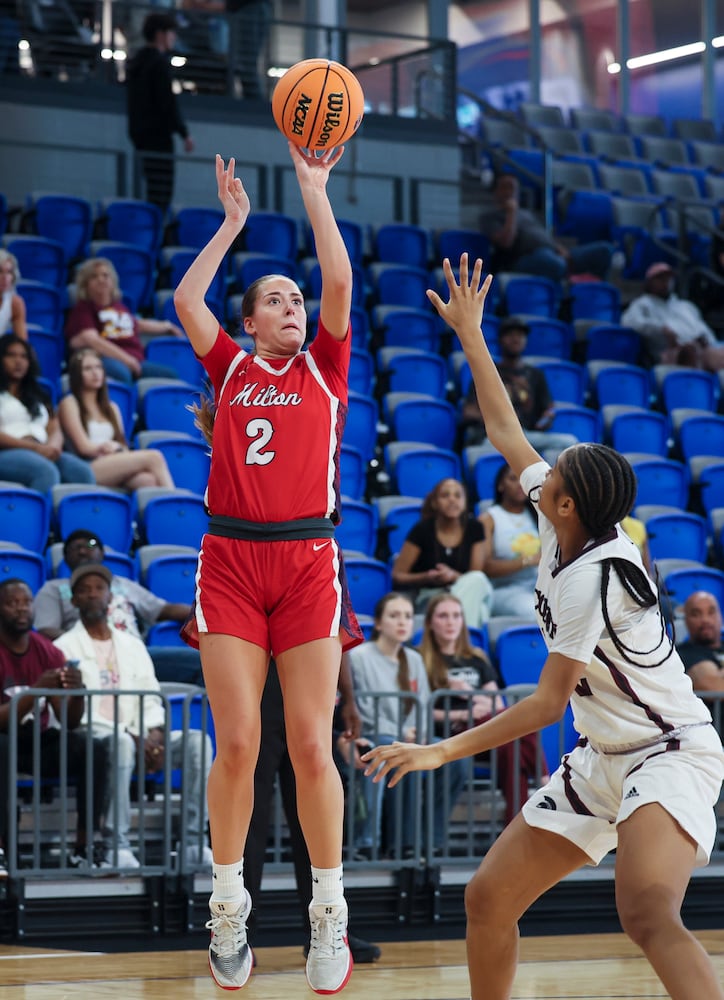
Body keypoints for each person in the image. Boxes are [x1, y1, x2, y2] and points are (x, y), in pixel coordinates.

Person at [363, 254, 724, 1000]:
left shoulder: (594, 574)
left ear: (567, 506)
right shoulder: (569, 520)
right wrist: (469, 333)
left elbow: (546, 705)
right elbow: (504, 430)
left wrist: (440, 750)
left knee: (647, 910)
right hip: (605, 752)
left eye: (556, 469)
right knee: (488, 900)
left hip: (667, 750)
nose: (544, 466)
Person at [172, 147, 363, 994]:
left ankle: (329, 914)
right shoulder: (232, 366)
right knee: (241, 741)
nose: (293, 305)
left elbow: (341, 284)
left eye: (296, 298)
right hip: (232, 559)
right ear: (250, 322)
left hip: (309, 558)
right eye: (275, 300)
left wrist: (315, 195)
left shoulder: (327, 366)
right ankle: (227, 905)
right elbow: (184, 299)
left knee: (310, 746)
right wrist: (232, 225)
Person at [54, 563, 213, 869]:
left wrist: (153, 731)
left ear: (110, 598)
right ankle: (117, 844)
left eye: (99, 589)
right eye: (84, 591)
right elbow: (75, 714)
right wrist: (133, 736)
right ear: (73, 601)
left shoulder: (132, 645)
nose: (93, 595)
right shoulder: (63, 647)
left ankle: (194, 842)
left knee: (198, 742)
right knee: (120, 743)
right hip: (96, 736)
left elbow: (150, 694)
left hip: (141, 734)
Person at [244, 660, 381, 964]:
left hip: (307, 692)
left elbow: (336, 630)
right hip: (257, 687)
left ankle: (325, 932)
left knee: (316, 824)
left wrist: (348, 698)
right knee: (249, 824)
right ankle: (239, 935)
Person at [0, 578, 109, 875]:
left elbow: (71, 720)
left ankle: (85, 846)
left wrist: (76, 693)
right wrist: (35, 691)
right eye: (12, 603)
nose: (21, 609)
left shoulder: (46, 651)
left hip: (38, 740)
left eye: (26, 602)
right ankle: (3, 850)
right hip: (4, 739)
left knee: (91, 749)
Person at [347, 592, 467, 857]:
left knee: (457, 759)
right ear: (378, 623)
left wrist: (419, 733)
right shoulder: (359, 657)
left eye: (408, 616)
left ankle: (427, 840)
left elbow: (422, 704)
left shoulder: (413, 659)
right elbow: (366, 709)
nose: (402, 622)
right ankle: (370, 842)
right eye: (394, 616)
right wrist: (404, 734)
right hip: (376, 735)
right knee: (388, 748)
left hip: (411, 736)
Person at [419, 593, 543, 826]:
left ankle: (513, 822)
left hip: (485, 730)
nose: (450, 622)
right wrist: (463, 713)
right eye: (443, 616)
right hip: (453, 733)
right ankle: (543, 779)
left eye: (456, 616)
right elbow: (421, 709)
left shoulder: (476, 658)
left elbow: (498, 704)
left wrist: (470, 694)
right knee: (509, 736)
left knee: (510, 745)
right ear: (430, 623)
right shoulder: (422, 660)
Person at [33, 530, 200, 684]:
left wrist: (202, 617)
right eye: (75, 548)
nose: (83, 551)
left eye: (90, 545)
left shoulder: (124, 584)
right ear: (66, 558)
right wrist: (92, 644)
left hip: (136, 655)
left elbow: (164, 609)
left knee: (202, 663)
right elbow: (46, 630)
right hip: (87, 657)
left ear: (102, 553)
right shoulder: (53, 589)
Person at [58, 348, 176, 490]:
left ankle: (161, 511)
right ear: (77, 375)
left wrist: (117, 448)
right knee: (154, 457)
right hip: (88, 466)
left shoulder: (112, 407)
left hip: (113, 460)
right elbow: (83, 447)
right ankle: (177, 501)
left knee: (148, 481)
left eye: (98, 367)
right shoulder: (70, 403)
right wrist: (106, 447)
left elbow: (122, 444)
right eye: (87, 369)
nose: (95, 373)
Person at [462, 315, 578, 452]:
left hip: (526, 435)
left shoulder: (535, 375)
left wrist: (546, 419)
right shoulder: (486, 372)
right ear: (500, 340)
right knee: (486, 446)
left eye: (520, 335)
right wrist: (496, 420)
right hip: (495, 436)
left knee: (570, 443)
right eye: (510, 335)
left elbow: (548, 409)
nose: (516, 339)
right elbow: (468, 412)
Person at [391, 477, 492, 628]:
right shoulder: (422, 529)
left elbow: (475, 575)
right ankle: (465, 639)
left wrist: (452, 576)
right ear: (435, 502)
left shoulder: (475, 528)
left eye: (458, 495)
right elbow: (397, 575)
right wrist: (426, 577)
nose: (452, 500)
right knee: (480, 611)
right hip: (430, 596)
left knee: (478, 582)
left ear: (465, 502)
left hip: (466, 591)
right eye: (445, 496)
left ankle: (459, 635)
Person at [0, 334, 95, 493]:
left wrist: (53, 446)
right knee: (45, 472)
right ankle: (36, 517)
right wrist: (34, 448)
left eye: (24, 356)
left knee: (83, 473)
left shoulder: (38, 394)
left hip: (42, 449)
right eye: (11, 355)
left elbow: (55, 426)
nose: (18, 361)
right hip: (7, 452)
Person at [65, 258, 182, 385]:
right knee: (121, 374)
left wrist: (167, 326)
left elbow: (138, 324)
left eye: (105, 275)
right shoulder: (83, 309)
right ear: (85, 284)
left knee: (170, 375)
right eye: (94, 276)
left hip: (136, 361)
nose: (101, 279)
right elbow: (92, 340)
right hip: (106, 359)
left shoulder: (119, 307)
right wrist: (127, 360)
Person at [481, 173, 613, 282]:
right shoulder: (489, 217)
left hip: (553, 253)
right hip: (523, 259)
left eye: (514, 188)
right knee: (555, 264)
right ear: (496, 192)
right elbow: (506, 242)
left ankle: (594, 293)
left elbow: (543, 236)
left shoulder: (526, 213)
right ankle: (567, 293)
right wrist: (511, 213)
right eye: (506, 187)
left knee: (604, 250)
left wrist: (559, 248)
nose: (510, 192)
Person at [126, 12, 195, 214]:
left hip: (139, 135)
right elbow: (168, 103)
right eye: (171, 32)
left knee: (150, 188)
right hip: (158, 137)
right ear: (160, 34)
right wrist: (184, 133)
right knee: (161, 193)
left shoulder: (137, 62)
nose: (174, 37)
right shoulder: (159, 64)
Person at [621, 261, 724, 371]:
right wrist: (660, 329)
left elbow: (705, 330)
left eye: (668, 278)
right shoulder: (642, 304)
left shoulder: (685, 305)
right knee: (701, 353)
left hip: (703, 349)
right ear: (650, 282)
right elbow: (628, 322)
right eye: (660, 278)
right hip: (673, 353)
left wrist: (707, 340)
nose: (665, 282)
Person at [479, 463, 540, 617]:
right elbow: (486, 567)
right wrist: (528, 560)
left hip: (540, 585)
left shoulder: (539, 516)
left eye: (523, 479)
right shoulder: (489, 519)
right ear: (500, 485)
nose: (520, 484)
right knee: (533, 612)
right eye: (513, 479)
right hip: (504, 590)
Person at [677, 591, 724, 709]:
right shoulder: (683, 654)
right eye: (696, 614)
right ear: (686, 620)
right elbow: (716, 688)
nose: (705, 620)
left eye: (711, 612)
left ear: (721, 617)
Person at [0, 250, 27, 340]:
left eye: (9, 272)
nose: (5, 277)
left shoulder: (15, 303)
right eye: (0, 271)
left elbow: (22, 344)